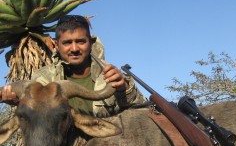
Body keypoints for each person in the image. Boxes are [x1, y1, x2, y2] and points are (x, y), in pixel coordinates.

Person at [0, 15, 146, 117]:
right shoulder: (43, 78)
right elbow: (39, 117)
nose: (74, 48)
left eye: (81, 41)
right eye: (67, 42)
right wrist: (20, 103)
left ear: (90, 42)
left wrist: (123, 88)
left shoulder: (111, 75)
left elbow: (143, 109)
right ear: (56, 45)